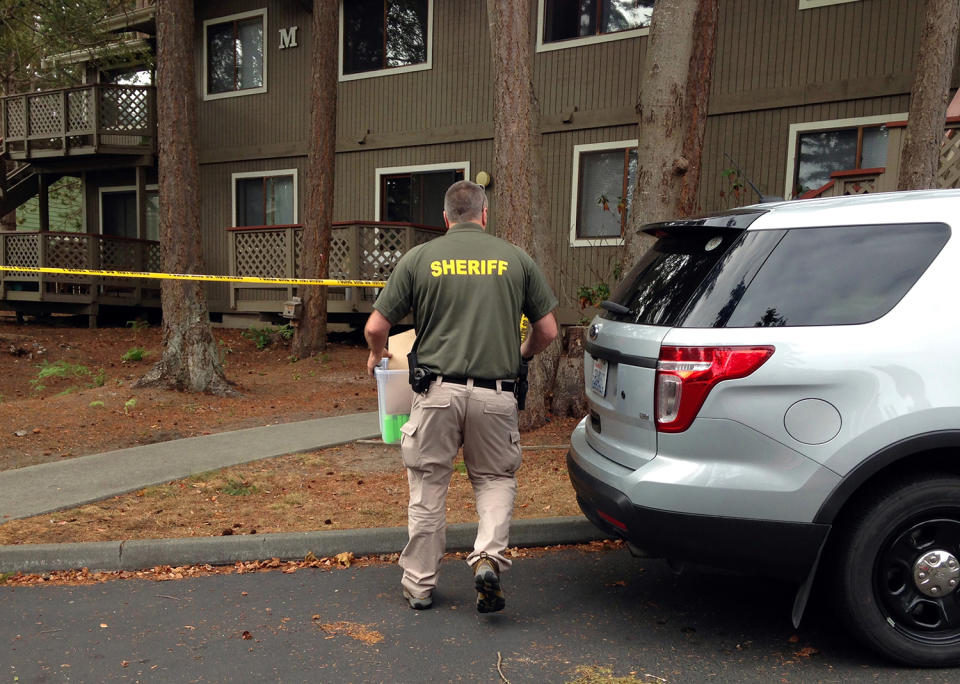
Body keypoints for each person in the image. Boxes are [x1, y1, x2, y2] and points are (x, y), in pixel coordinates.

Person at [364, 179, 558, 613]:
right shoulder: (515, 259)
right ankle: (487, 557)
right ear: (484, 215)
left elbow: (377, 326)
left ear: (445, 218)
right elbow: (547, 332)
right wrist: (521, 354)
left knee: (429, 484)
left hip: (436, 393)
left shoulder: (419, 258)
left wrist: (378, 355)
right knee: (494, 480)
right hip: (496, 394)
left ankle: (418, 584)